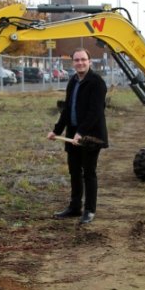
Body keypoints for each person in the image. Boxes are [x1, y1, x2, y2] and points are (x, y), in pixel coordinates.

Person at [48, 48, 109, 225]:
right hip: (73, 134)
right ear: (73, 62)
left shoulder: (97, 82)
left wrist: (81, 133)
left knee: (88, 173)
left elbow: (95, 112)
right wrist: (57, 131)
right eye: (76, 60)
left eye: (83, 59)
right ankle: (75, 207)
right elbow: (67, 110)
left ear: (90, 61)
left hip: (90, 136)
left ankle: (89, 210)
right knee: (74, 172)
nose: (80, 63)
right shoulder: (73, 81)